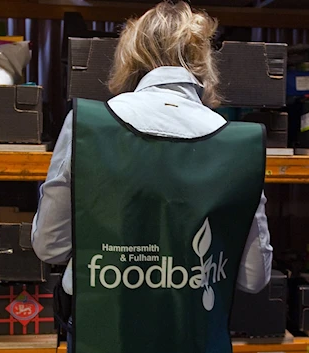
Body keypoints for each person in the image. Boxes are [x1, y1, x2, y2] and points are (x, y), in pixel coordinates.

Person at [32, 1, 273, 353]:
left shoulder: (88, 127)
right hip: (195, 337)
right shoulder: (240, 145)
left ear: (130, 56)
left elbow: (49, 246)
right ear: (202, 59)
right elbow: (254, 277)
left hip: (104, 337)